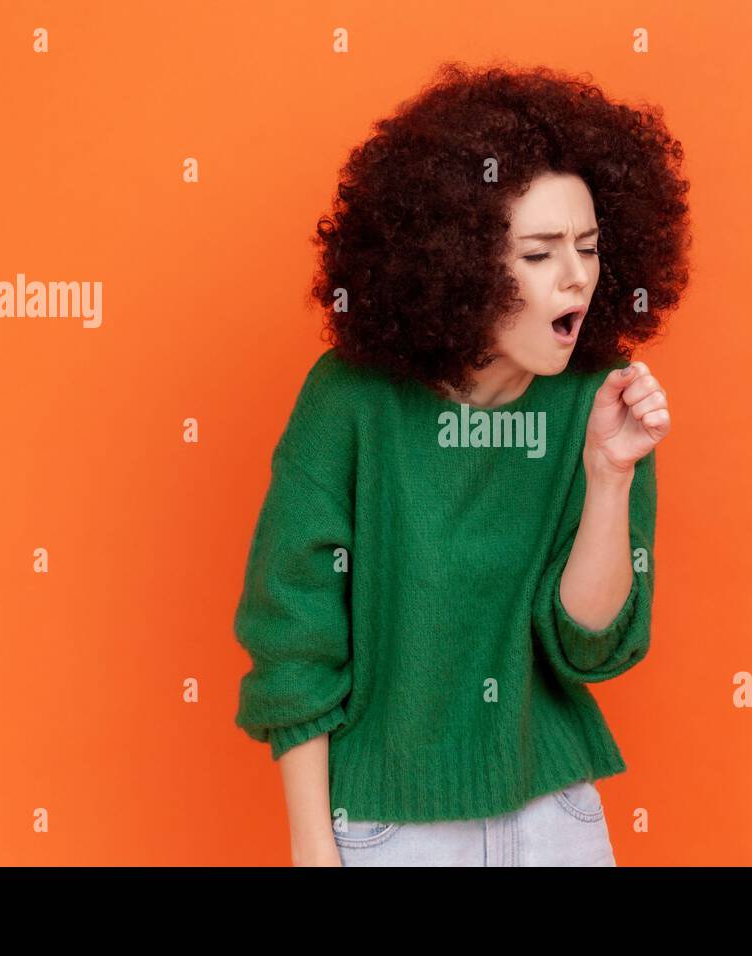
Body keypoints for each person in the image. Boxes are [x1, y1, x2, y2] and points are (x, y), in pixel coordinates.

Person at [233, 61, 691, 866]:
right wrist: (312, 845)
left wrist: (610, 474)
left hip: (558, 817)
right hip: (387, 827)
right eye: (540, 253)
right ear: (463, 263)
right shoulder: (351, 401)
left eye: (587, 246)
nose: (577, 275)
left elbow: (589, 649)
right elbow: (293, 638)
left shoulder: (600, 402)